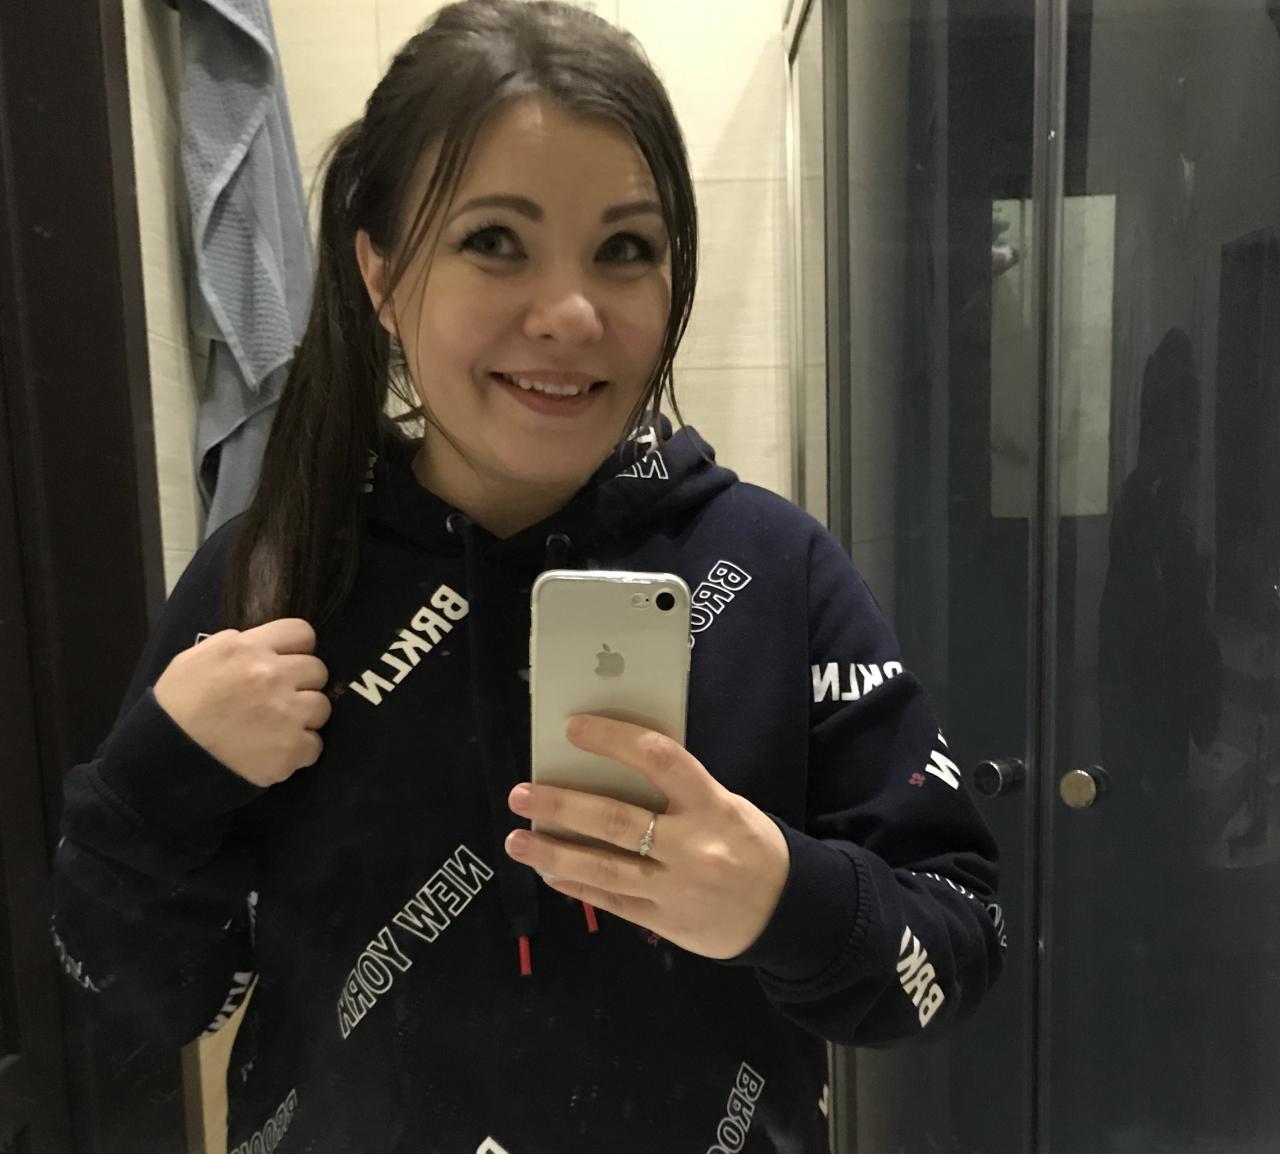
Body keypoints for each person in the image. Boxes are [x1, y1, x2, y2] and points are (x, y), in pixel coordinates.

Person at [50, 3, 1003, 1151]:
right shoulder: (271, 575)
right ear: (380, 273)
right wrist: (154, 785)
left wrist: (780, 899)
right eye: (494, 240)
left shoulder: (776, 570)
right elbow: (143, 1006)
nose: (569, 314)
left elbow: (957, 947)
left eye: (625, 249)